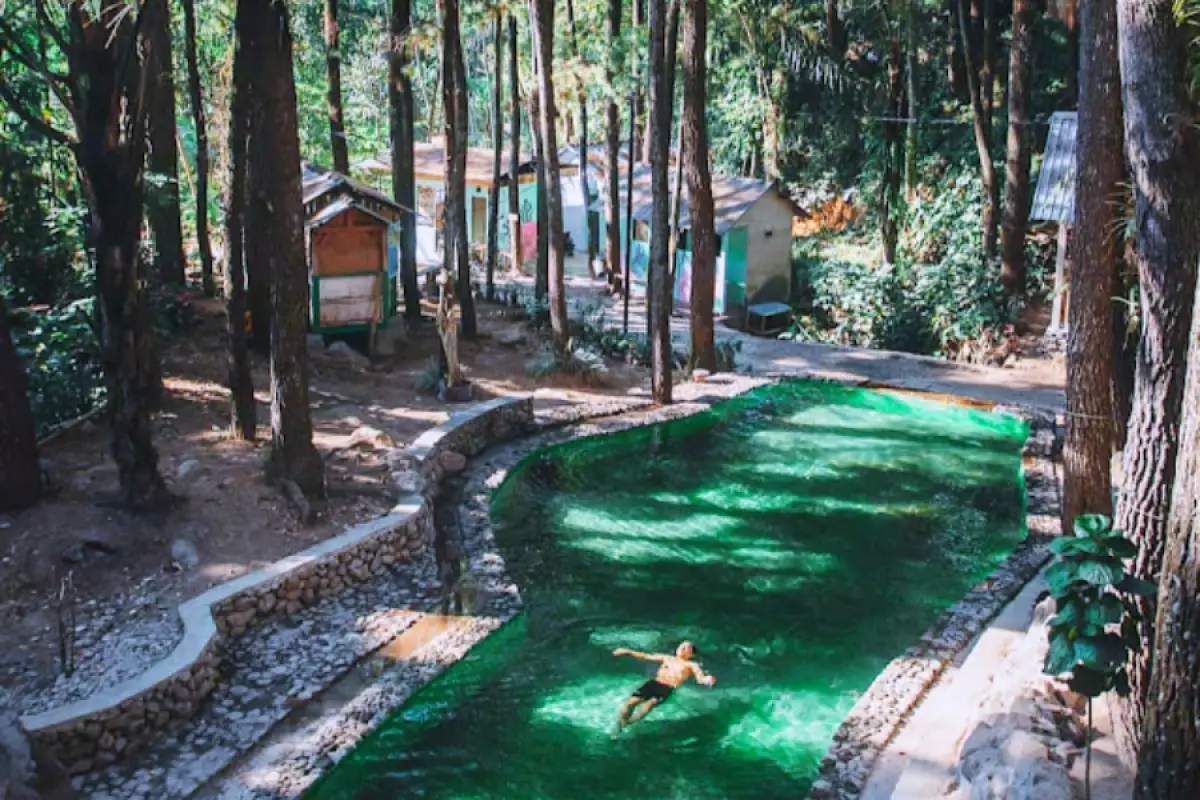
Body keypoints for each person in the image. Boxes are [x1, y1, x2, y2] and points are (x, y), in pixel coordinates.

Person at [612, 641, 716, 732]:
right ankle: (621, 723)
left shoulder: (691, 665)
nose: (682, 648)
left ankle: (630, 722)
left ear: (692, 654)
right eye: (681, 646)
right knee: (630, 703)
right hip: (654, 683)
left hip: (667, 688)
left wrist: (707, 679)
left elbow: (700, 678)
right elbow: (646, 656)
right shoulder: (667, 658)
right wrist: (628, 651)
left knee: (650, 704)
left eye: (686, 647)